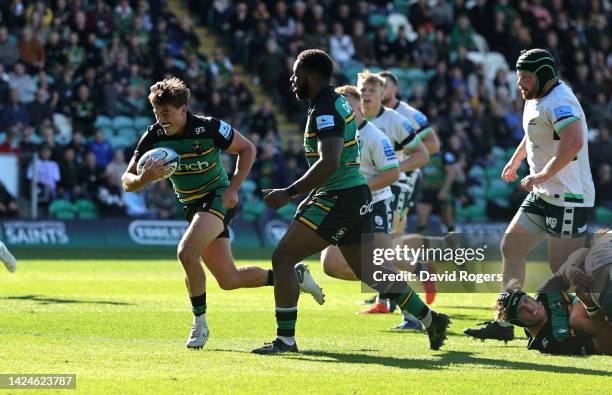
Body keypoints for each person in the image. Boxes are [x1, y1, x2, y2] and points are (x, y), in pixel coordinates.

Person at [252, 50, 449, 355]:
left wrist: (289, 193)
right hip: (352, 194)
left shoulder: (325, 108)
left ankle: (285, 340)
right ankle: (431, 319)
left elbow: (329, 161)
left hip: (338, 196)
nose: (292, 80)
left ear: (312, 76)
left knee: (283, 259)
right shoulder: (336, 101)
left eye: (296, 74)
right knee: (372, 273)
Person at [121, 78, 323, 349]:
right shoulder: (153, 136)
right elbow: (127, 181)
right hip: (193, 206)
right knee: (229, 279)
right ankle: (292, 277)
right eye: (157, 113)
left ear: (183, 109)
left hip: (219, 198)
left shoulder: (208, 127)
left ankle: (199, 324)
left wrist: (234, 188)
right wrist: (144, 178)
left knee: (186, 252)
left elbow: (247, 148)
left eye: (166, 113)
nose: (161, 119)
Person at [465, 49, 595, 342]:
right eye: (518, 76)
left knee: (563, 272)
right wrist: (515, 159)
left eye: (525, 76)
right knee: (511, 247)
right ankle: (503, 322)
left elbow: (573, 142)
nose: (519, 82)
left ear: (544, 75)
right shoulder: (536, 99)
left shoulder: (561, 101)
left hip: (568, 198)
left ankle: (592, 323)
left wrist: (541, 175)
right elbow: (532, 132)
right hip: (544, 193)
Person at [357, 70, 431, 319]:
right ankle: (388, 297)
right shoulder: (352, 120)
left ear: (384, 92)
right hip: (363, 190)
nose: (366, 94)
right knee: (378, 249)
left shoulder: (397, 119)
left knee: (385, 246)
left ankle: (411, 301)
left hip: (393, 187)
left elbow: (426, 151)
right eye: (362, 89)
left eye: (372, 89)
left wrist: (394, 170)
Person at [494, 282, 611, 355]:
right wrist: (587, 307)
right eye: (521, 310)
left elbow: (571, 271)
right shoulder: (551, 343)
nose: (529, 307)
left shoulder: (547, 293)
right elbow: (607, 346)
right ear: (517, 322)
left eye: (526, 300)